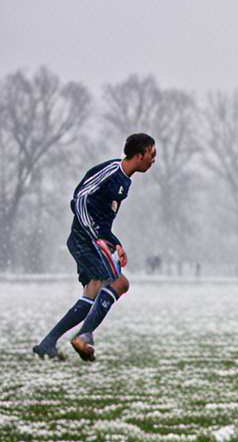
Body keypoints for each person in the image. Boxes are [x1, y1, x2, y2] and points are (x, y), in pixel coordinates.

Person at [33, 133, 157, 361]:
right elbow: (79, 198)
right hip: (85, 238)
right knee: (120, 283)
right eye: (152, 154)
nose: (154, 160)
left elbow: (103, 220)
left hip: (92, 238)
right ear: (139, 155)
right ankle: (83, 337)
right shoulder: (111, 171)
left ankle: (47, 343)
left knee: (92, 292)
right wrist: (95, 235)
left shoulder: (125, 180)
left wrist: (115, 243)